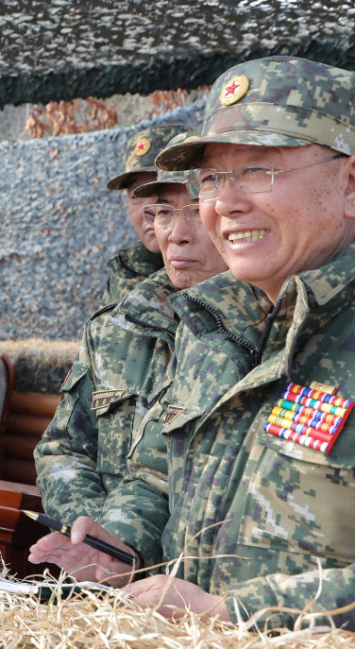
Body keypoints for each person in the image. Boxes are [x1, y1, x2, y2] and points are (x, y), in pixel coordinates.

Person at [31, 56, 355, 631]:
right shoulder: (211, 324)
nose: (222, 203)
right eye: (211, 178)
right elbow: (158, 475)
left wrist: (231, 615)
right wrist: (119, 547)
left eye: (257, 170)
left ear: (350, 184)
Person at [33, 136, 227, 568]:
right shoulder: (114, 327)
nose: (176, 232)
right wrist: (97, 532)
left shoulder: (259, 327)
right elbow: (64, 446)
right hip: (113, 569)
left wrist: (120, 542)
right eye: (161, 211)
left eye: (195, 209)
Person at [97, 125, 184, 307]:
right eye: (137, 195)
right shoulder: (124, 274)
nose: (150, 210)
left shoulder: (233, 268)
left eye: (161, 191)